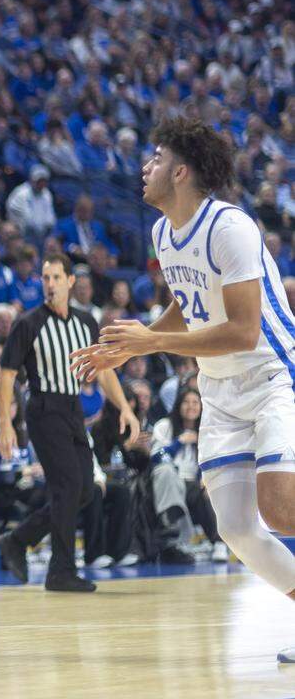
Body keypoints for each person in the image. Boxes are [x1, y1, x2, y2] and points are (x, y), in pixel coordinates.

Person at [73, 117, 295, 661]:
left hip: (272, 376)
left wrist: (149, 344)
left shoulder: (230, 227)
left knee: (281, 509)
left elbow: (243, 330)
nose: (145, 167)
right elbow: (188, 305)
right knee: (237, 530)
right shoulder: (162, 234)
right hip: (220, 389)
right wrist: (138, 341)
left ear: (181, 171)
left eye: (154, 158)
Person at [0, 253, 140, 592]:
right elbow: (6, 375)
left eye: (56, 277)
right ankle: (60, 570)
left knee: (87, 490)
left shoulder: (86, 322)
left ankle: (18, 539)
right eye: (45, 278)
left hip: (73, 408)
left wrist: (124, 408)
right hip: (44, 408)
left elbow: (102, 370)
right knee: (69, 487)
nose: (50, 284)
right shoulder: (28, 323)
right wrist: (5, 422)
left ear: (70, 282)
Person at [150, 387, 225, 561]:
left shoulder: (207, 431)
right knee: (178, 481)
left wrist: (205, 479)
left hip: (193, 483)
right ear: (178, 405)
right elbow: (155, 458)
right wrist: (179, 442)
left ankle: (219, 543)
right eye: (186, 402)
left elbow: (213, 460)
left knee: (206, 492)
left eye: (195, 402)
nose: (190, 406)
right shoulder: (165, 425)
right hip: (168, 480)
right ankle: (176, 540)